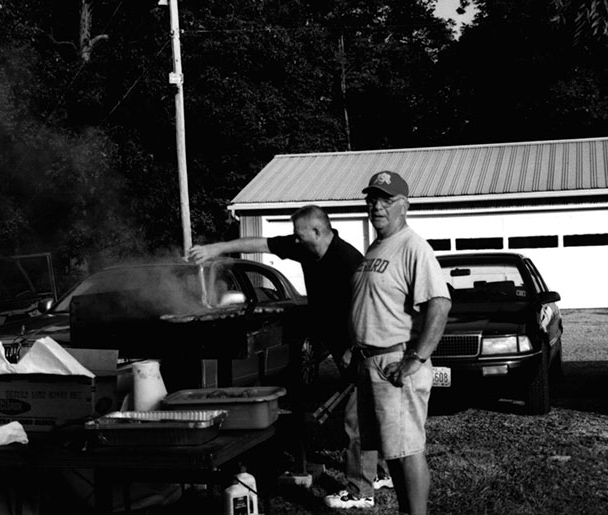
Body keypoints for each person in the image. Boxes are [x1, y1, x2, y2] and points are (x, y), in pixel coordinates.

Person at [188, 205, 391, 510]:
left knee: (356, 418)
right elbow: (262, 243)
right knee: (368, 412)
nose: (293, 240)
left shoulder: (349, 261)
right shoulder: (306, 249)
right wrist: (216, 249)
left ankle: (360, 491)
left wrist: (354, 349)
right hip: (341, 344)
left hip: (362, 345)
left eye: (299, 234)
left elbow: (370, 308)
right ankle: (380, 473)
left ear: (318, 232)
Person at [349, 171, 451, 515]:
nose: (376, 206)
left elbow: (439, 303)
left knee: (408, 450)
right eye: (371, 199)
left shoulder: (413, 246)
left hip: (396, 365)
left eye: (385, 199)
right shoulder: (377, 246)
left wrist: (416, 358)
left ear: (404, 206)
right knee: (392, 450)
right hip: (372, 362)